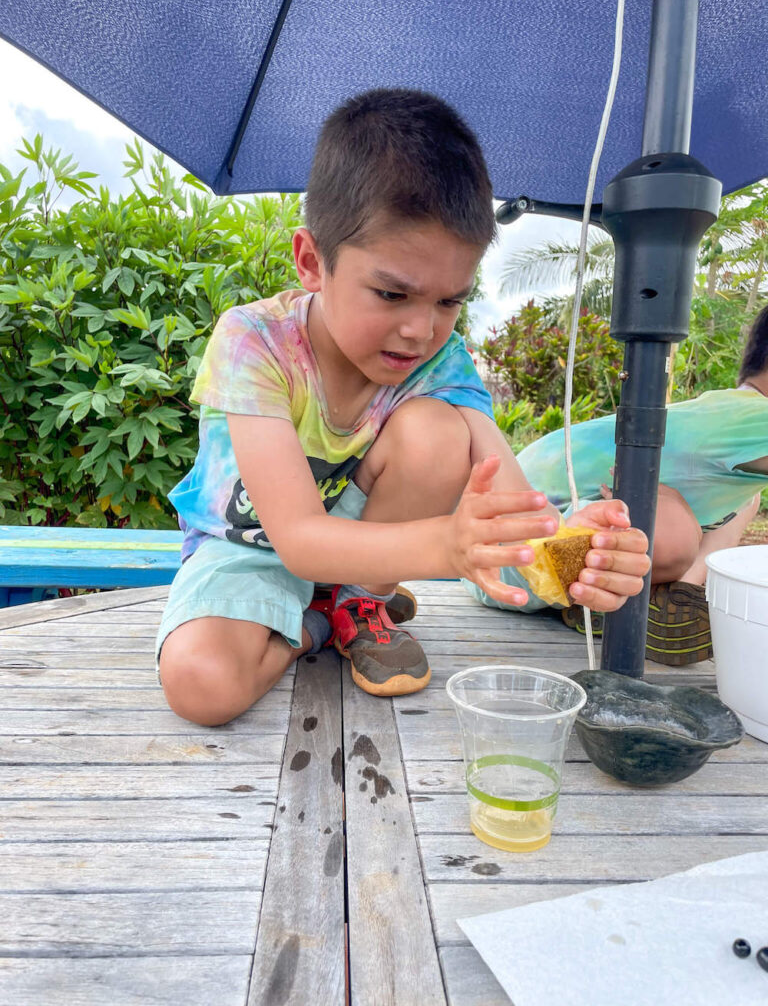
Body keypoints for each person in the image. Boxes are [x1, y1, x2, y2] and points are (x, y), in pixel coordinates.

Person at [156, 88, 650, 726]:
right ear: (313, 262)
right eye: (392, 294)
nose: (422, 331)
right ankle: (315, 623)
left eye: (450, 302)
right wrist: (446, 545)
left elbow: (512, 502)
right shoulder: (255, 343)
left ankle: (360, 603)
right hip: (250, 547)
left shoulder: (441, 363)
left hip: (371, 552)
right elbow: (301, 541)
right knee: (202, 687)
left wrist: (577, 553)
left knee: (441, 434)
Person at [507, 306, 768, 664]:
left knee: (745, 501)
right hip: (520, 550)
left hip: (542, 543)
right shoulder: (755, 419)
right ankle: (603, 601)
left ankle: (674, 600)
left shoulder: (736, 413)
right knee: (675, 531)